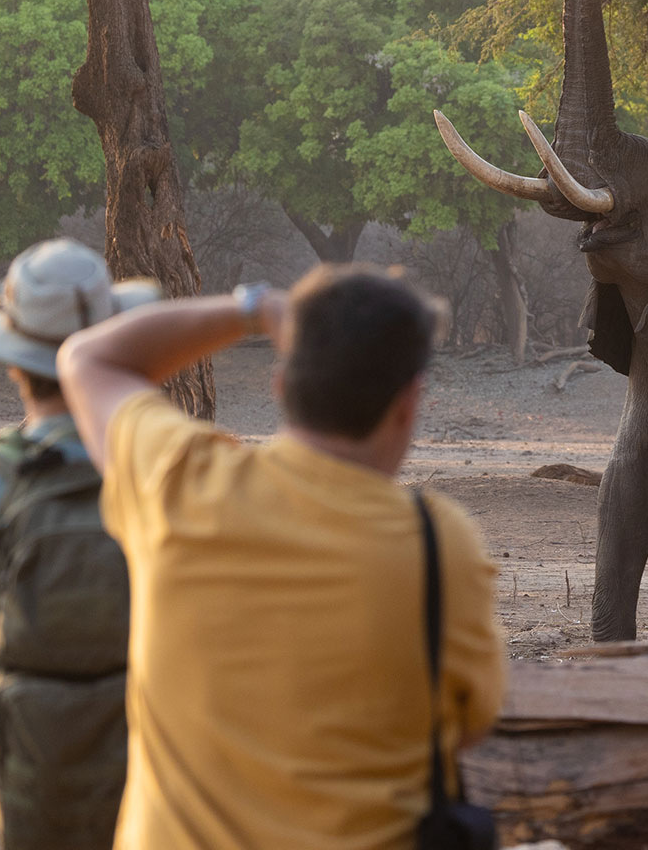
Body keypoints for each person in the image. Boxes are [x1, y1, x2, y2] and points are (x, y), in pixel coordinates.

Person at [55, 264, 507, 850]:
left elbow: (89, 358)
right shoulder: (441, 542)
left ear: (280, 383)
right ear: (408, 403)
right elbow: (471, 722)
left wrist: (255, 309)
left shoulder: (183, 485)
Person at [0, 238, 157, 850]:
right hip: (157, 812)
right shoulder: (177, 475)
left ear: (11, 360)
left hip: (4, 814)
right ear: (113, 336)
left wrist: (12, 767)